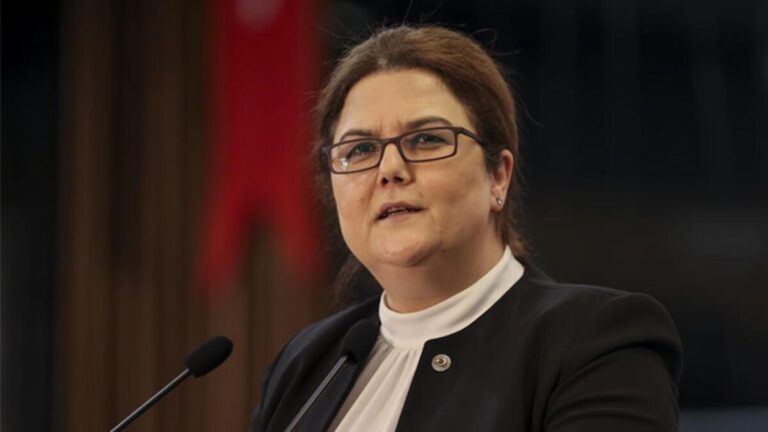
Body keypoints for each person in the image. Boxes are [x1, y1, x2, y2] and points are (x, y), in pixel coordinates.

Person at [251, 25, 682, 432]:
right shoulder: (307, 362)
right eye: (360, 149)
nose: (390, 169)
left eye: (426, 140)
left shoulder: (595, 341)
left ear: (498, 176)